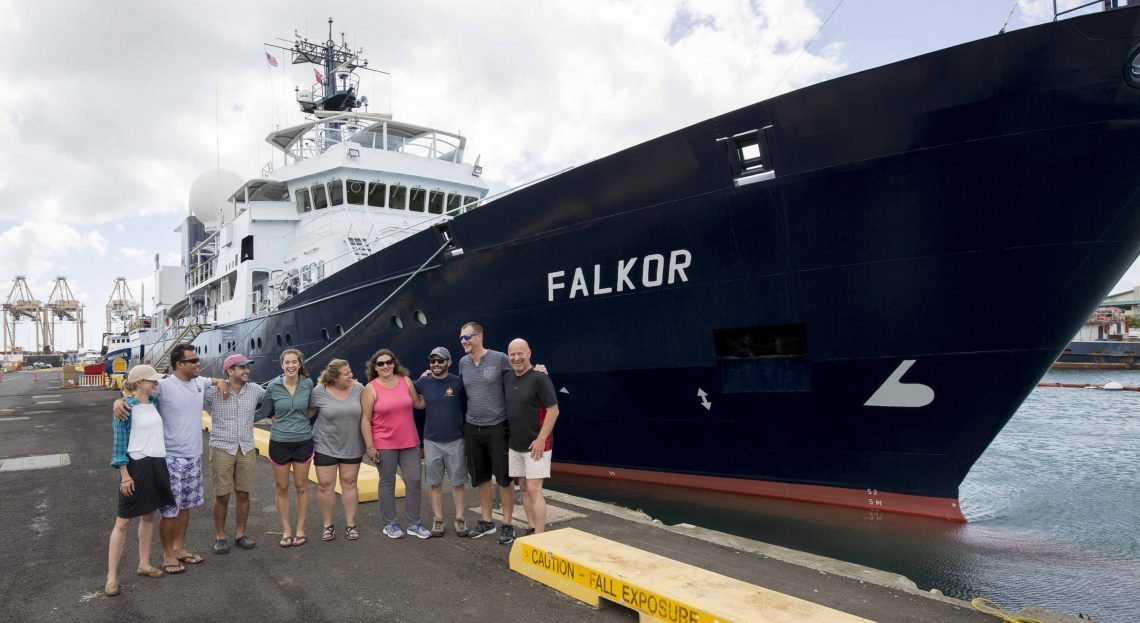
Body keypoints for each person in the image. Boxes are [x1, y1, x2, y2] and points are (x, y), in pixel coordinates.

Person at [114, 343, 225, 574]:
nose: (198, 364)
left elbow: (213, 381)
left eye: (198, 360)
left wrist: (221, 381)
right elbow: (136, 396)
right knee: (170, 509)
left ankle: (179, 548)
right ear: (178, 364)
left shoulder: (199, 382)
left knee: (186, 507)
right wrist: (119, 401)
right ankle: (167, 556)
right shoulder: (162, 386)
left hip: (194, 455)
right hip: (170, 458)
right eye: (193, 361)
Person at [105, 364, 175, 596]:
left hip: (157, 464)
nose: (157, 383)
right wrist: (124, 476)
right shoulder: (125, 409)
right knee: (123, 522)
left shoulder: (153, 403)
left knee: (148, 516)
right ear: (139, 384)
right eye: (152, 380)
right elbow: (118, 446)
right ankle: (112, 576)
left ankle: (144, 563)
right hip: (137, 466)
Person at [456, 321, 519, 544]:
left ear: (480, 336)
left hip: (498, 426)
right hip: (473, 427)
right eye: (461, 338)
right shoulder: (463, 363)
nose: (463, 341)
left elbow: (518, 378)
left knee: (504, 478)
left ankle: (508, 524)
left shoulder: (499, 358)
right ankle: (487, 521)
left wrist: (537, 370)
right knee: (480, 476)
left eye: (467, 337)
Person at [360, 348, 431, 539]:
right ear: (375, 367)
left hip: (409, 441)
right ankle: (390, 523)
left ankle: (414, 523)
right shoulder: (371, 388)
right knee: (387, 482)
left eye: (389, 362)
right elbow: (365, 419)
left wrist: (430, 382)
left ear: (394, 363)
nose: (385, 366)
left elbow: (419, 403)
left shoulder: (405, 381)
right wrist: (370, 446)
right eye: (381, 363)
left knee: (414, 481)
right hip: (384, 443)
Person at [204, 354, 265, 554]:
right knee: (222, 494)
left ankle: (240, 533)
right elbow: (187, 391)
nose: (247, 371)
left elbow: (277, 398)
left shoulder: (255, 390)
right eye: (242, 368)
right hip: (222, 447)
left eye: (248, 368)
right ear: (230, 371)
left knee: (244, 493)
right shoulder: (212, 392)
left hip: (246, 447)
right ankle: (220, 536)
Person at [255, 348, 315, 547]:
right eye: (287, 362)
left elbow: (314, 407)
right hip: (279, 441)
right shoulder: (273, 386)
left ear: (299, 364)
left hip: (303, 441)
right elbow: (264, 411)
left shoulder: (307, 384)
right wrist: (237, 419)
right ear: (282, 365)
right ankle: (286, 530)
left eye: (294, 362)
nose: (290, 365)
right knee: (281, 487)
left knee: (302, 487)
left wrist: (304, 421)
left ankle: (300, 529)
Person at [505, 339, 560, 535]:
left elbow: (553, 410)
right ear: (508, 355)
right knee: (524, 487)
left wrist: (541, 439)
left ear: (529, 353)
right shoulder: (508, 378)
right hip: (516, 444)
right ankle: (531, 526)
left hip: (537, 445)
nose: (516, 358)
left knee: (535, 490)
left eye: (520, 353)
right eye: (512, 354)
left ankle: (540, 535)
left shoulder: (540, 378)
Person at [413, 347, 469, 537]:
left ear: (449, 362)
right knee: (434, 483)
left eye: (440, 360)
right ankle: (438, 520)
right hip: (432, 441)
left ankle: (460, 519)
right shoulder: (423, 382)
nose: (436, 364)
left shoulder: (457, 382)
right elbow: (408, 393)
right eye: (433, 361)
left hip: (455, 440)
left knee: (458, 482)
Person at [309, 358, 365, 542]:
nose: (351, 375)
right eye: (346, 373)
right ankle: (328, 525)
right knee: (325, 485)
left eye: (350, 371)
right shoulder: (319, 392)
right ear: (334, 377)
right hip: (325, 444)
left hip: (352, 445)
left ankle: (351, 524)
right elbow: (307, 414)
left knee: (349, 484)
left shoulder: (359, 389)